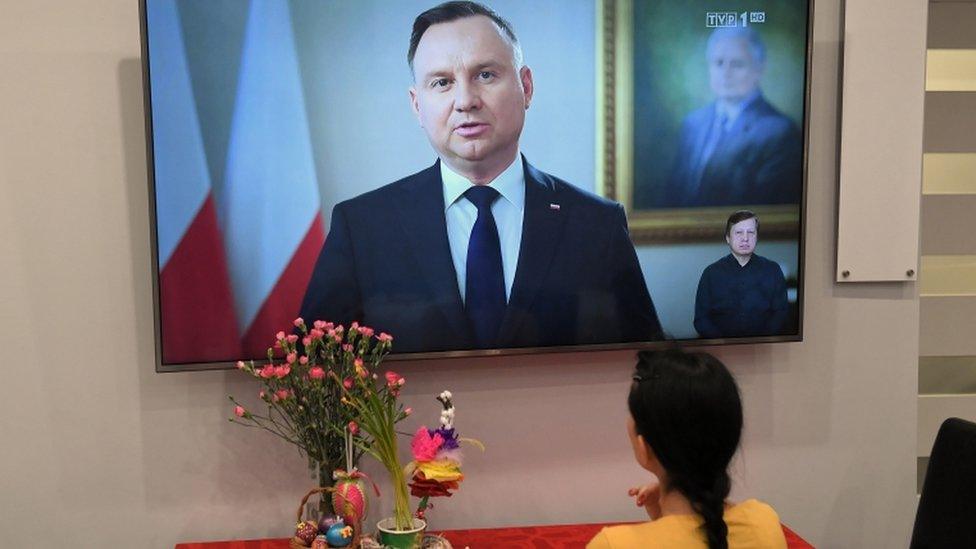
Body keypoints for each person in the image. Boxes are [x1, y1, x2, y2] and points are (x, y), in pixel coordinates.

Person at [298, 1, 662, 354]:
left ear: (526, 87)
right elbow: (313, 378)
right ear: (416, 105)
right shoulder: (362, 228)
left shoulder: (597, 224)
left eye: (485, 75)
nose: (465, 100)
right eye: (441, 82)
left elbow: (646, 369)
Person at [587, 349, 787, 549]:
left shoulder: (613, 545)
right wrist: (663, 518)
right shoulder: (763, 523)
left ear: (644, 448)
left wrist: (663, 522)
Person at [664, 27, 802, 208]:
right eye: (719, 63)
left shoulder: (780, 132)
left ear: (759, 69)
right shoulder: (692, 125)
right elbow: (673, 196)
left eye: (737, 64)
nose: (726, 73)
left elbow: (767, 208)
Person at [694, 210, 788, 339]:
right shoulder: (711, 273)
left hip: (764, 347)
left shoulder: (772, 270)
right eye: (739, 233)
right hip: (720, 349)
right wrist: (722, 342)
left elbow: (781, 313)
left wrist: (761, 340)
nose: (745, 238)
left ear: (757, 237)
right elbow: (701, 319)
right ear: (728, 238)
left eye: (751, 232)